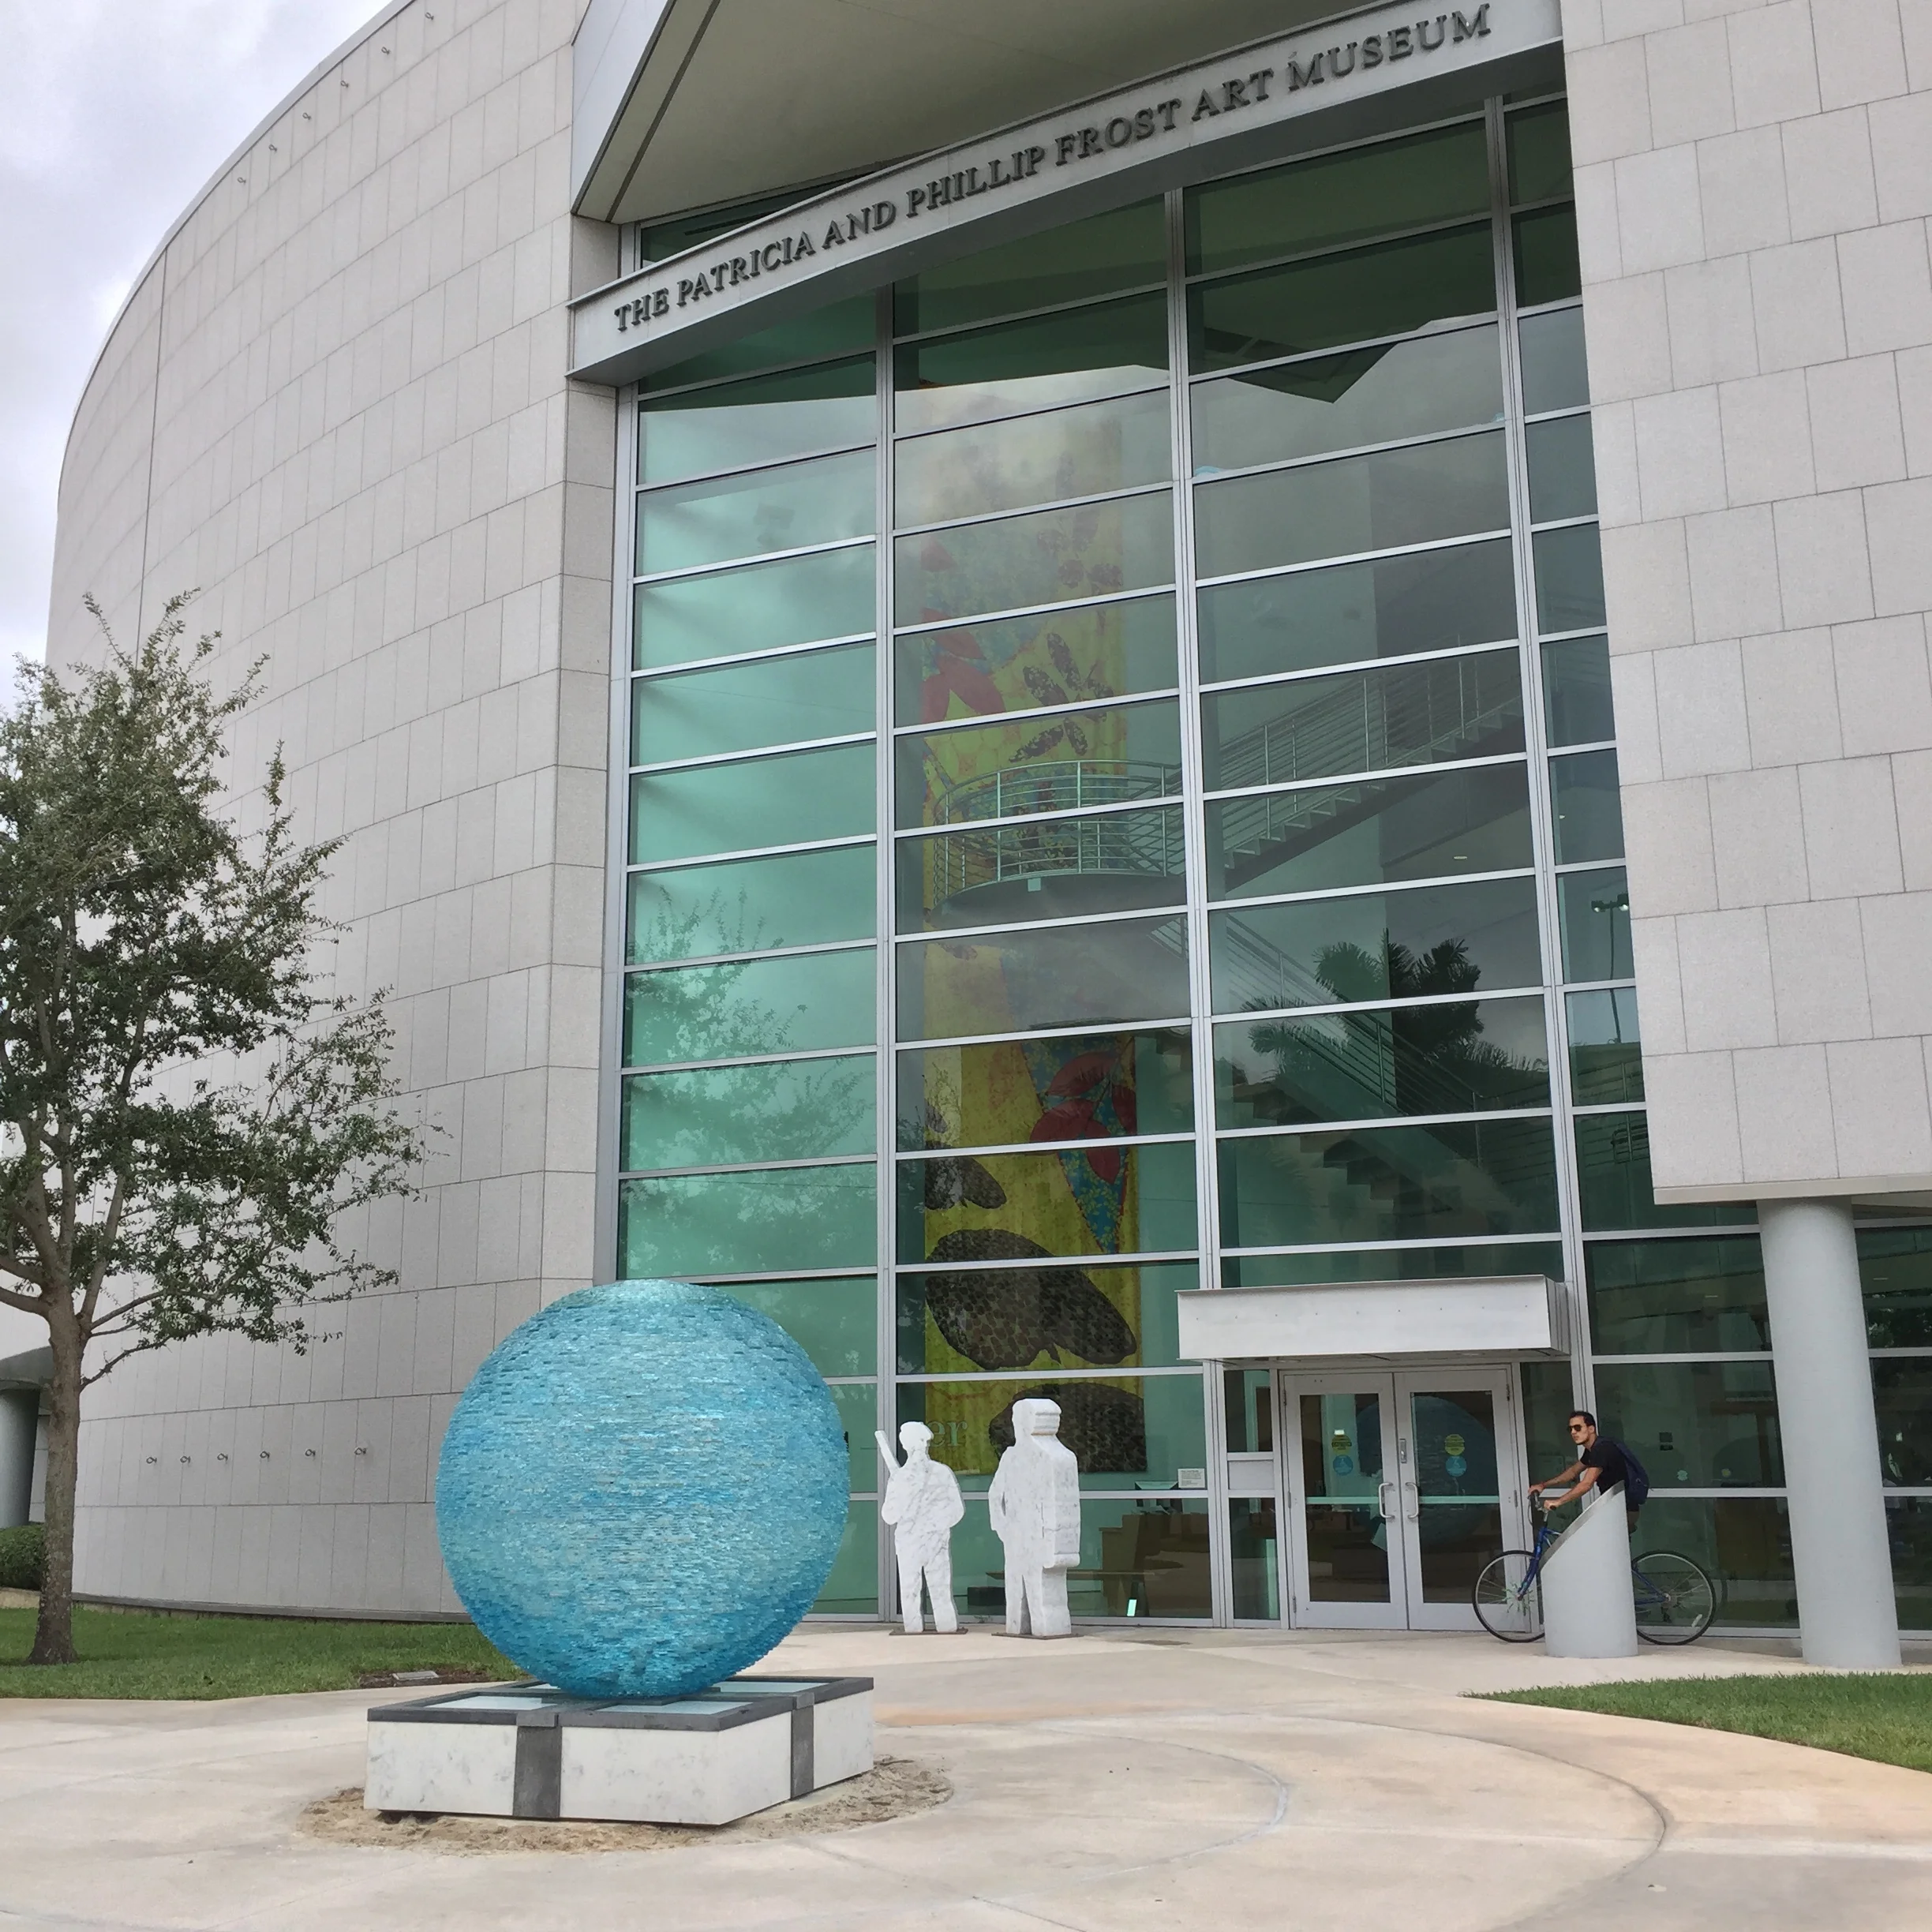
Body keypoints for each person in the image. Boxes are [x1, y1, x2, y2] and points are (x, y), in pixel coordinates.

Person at [987, 1397, 1081, 1637]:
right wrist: (1002, 1527)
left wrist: (1058, 1543)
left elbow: (1063, 1505)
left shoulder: (1055, 1457)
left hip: (1041, 1537)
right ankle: (1017, 1626)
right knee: (1015, 1586)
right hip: (1016, 1536)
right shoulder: (1010, 1456)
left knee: (1043, 1589)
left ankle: (1046, 1628)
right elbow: (995, 1494)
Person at [876, 1420, 964, 1634]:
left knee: (934, 1589)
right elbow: (889, 1516)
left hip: (930, 1540)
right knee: (912, 1590)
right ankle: (914, 1627)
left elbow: (956, 1511)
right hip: (912, 1542)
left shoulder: (937, 1474)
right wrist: (904, 1497)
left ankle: (944, 1626)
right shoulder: (905, 1478)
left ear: (906, 1445)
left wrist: (934, 1526)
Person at [1530, 1410, 1639, 1533]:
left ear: (1591, 1429)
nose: (1573, 1432)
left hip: (1624, 1507)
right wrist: (1543, 1485)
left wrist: (1558, 1501)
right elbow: (1572, 1473)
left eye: (1577, 1428)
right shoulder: (1592, 1450)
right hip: (1615, 1505)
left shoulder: (1602, 1449)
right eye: (1570, 1429)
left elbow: (1586, 1484)